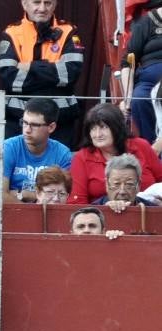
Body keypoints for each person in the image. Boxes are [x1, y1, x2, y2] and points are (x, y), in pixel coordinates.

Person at [0, 0, 84, 146]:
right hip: (18, 122)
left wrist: (30, 67)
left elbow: (69, 75)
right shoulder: (11, 33)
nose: (42, 8)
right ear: (25, 4)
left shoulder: (69, 31)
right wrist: (52, 75)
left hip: (58, 122)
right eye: (36, 2)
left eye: (48, 3)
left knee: (57, 169)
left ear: (55, 5)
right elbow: (11, 80)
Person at [69, 103, 162, 204]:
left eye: (103, 127)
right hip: (102, 216)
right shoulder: (81, 158)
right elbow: (77, 202)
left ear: (117, 127)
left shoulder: (141, 146)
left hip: (146, 213)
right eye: (93, 128)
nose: (97, 134)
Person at [0, 96, 72, 203]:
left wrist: (23, 194)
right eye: (25, 123)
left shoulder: (62, 154)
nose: (27, 130)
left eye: (34, 125)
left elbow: (60, 198)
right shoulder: (8, 147)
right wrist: (32, 210)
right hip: (13, 215)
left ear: (51, 127)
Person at [121, 0, 162, 148]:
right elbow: (128, 63)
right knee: (138, 99)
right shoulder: (146, 23)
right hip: (149, 82)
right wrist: (127, 98)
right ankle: (151, 149)